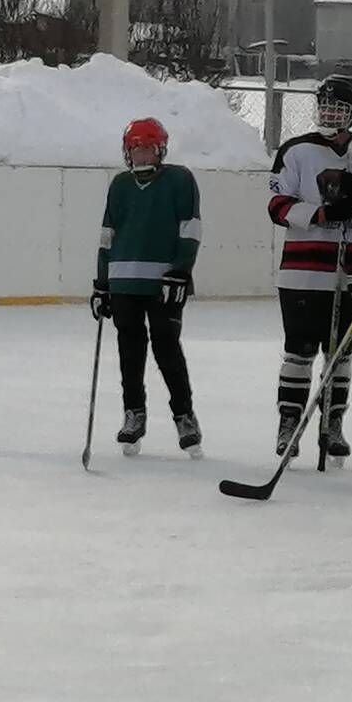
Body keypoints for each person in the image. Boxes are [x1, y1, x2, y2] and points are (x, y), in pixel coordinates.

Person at [265, 74, 352, 459]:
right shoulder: (296, 151)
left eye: (339, 107)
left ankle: (332, 424)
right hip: (301, 272)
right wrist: (321, 212)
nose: (330, 113)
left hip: (350, 271)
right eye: (326, 105)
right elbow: (277, 206)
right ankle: (289, 423)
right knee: (298, 351)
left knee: (340, 354)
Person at [91, 117, 204, 459]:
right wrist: (101, 284)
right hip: (124, 281)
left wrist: (181, 271)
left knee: (166, 346)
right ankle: (133, 413)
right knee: (129, 348)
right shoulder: (120, 185)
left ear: (160, 150)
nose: (140, 155)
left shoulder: (180, 180)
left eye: (146, 149)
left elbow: (191, 227)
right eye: (135, 149)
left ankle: (184, 415)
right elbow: (107, 235)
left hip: (165, 283)